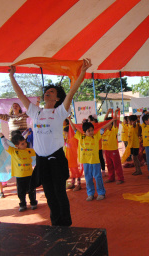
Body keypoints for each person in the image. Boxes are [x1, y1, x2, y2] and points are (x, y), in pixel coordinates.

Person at [9, 59, 92, 226]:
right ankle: (55, 225)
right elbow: (20, 95)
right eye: (47, 91)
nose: (48, 92)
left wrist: (82, 73)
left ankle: (66, 225)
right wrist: (12, 76)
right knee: (48, 194)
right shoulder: (36, 112)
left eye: (52, 91)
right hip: (41, 161)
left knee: (59, 192)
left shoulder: (60, 111)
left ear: (57, 97)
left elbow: (72, 92)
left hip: (56, 159)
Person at [71, 119, 115, 201]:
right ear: (84, 132)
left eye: (92, 130)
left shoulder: (96, 137)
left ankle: (101, 193)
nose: (91, 132)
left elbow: (103, 128)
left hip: (95, 162)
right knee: (88, 178)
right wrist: (69, 119)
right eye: (89, 131)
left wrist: (111, 120)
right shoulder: (81, 137)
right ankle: (90, 194)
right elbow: (74, 129)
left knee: (98, 177)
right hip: (86, 162)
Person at [1, 133, 37, 212]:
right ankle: (23, 204)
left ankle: (33, 203)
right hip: (20, 176)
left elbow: (38, 153)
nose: (25, 144)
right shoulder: (13, 151)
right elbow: (5, 145)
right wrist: (2, 137)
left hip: (30, 175)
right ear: (16, 145)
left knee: (31, 190)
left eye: (25, 142)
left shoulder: (30, 151)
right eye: (22, 144)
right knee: (21, 192)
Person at [102, 109, 124, 184]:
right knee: (109, 165)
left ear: (111, 124)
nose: (106, 125)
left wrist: (114, 113)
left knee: (117, 165)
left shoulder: (114, 130)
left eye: (108, 124)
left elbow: (115, 121)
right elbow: (104, 121)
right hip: (107, 150)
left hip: (113, 150)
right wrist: (107, 112)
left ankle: (120, 178)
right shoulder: (105, 131)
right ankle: (111, 178)